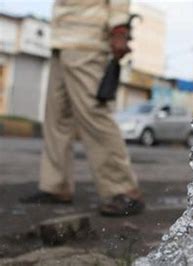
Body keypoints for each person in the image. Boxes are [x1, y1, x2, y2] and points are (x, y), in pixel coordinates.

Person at [20, 0, 144, 216]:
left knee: (94, 115)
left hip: (88, 43)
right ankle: (55, 185)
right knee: (56, 118)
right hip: (60, 40)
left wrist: (119, 29)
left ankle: (123, 190)